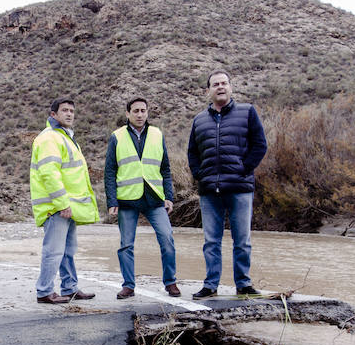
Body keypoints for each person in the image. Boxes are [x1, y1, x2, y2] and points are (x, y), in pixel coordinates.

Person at [187, 70, 267, 299]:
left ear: (231, 87)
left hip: (240, 187)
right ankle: (211, 285)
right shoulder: (199, 119)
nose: (220, 87)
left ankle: (243, 284)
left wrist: (244, 168)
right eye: (215, 84)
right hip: (209, 190)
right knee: (211, 241)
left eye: (224, 83)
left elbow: (260, 145)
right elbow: (192, 152)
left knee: (242, 240)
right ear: (208, 91)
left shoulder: (247, 112)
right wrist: (198, 174)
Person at [104, 98, 179, 299]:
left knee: (167, 239)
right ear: (128, 114)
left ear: (147, 113)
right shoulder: (117, 137)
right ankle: (128, 286)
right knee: (126, 245)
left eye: (143, 110)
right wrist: (112, 201)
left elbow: (165, 168)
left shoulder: (157, 134)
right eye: (135, 111)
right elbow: (110, 171)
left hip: (154, 198)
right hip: (127, 200)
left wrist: (169, 196)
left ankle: (170, 282)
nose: (139, 114)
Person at [29, 98, 100, 304]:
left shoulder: (65, 138)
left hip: (67, 206)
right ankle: (44, 291)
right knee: (54, 250)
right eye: (64, 110)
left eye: (72, 111)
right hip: (57, 207)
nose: (69, 114)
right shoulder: (49, 138)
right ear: (53, 115)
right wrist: (62, 203)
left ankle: (69, 288)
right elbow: (49, 173)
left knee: (67, 251)